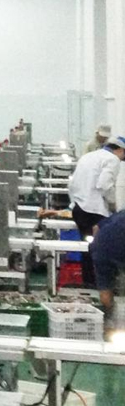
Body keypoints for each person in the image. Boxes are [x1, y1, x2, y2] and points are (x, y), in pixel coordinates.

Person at [69, 136, 125, 287]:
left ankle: (89, 281)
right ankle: (103, 285)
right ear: (120, 150)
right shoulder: (112, 160)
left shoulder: (88, 156)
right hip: (95, 211)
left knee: (87, 248)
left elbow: (72, 184)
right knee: (102, 248)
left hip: (79, 208)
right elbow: (104, 185)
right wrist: (114, 206)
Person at [89, 210, 125, 325]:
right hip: (116, 246)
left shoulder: (120, 214)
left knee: (105, 287)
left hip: (101, 246)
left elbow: (95, 228)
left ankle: (110, 322)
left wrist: (97, 247)